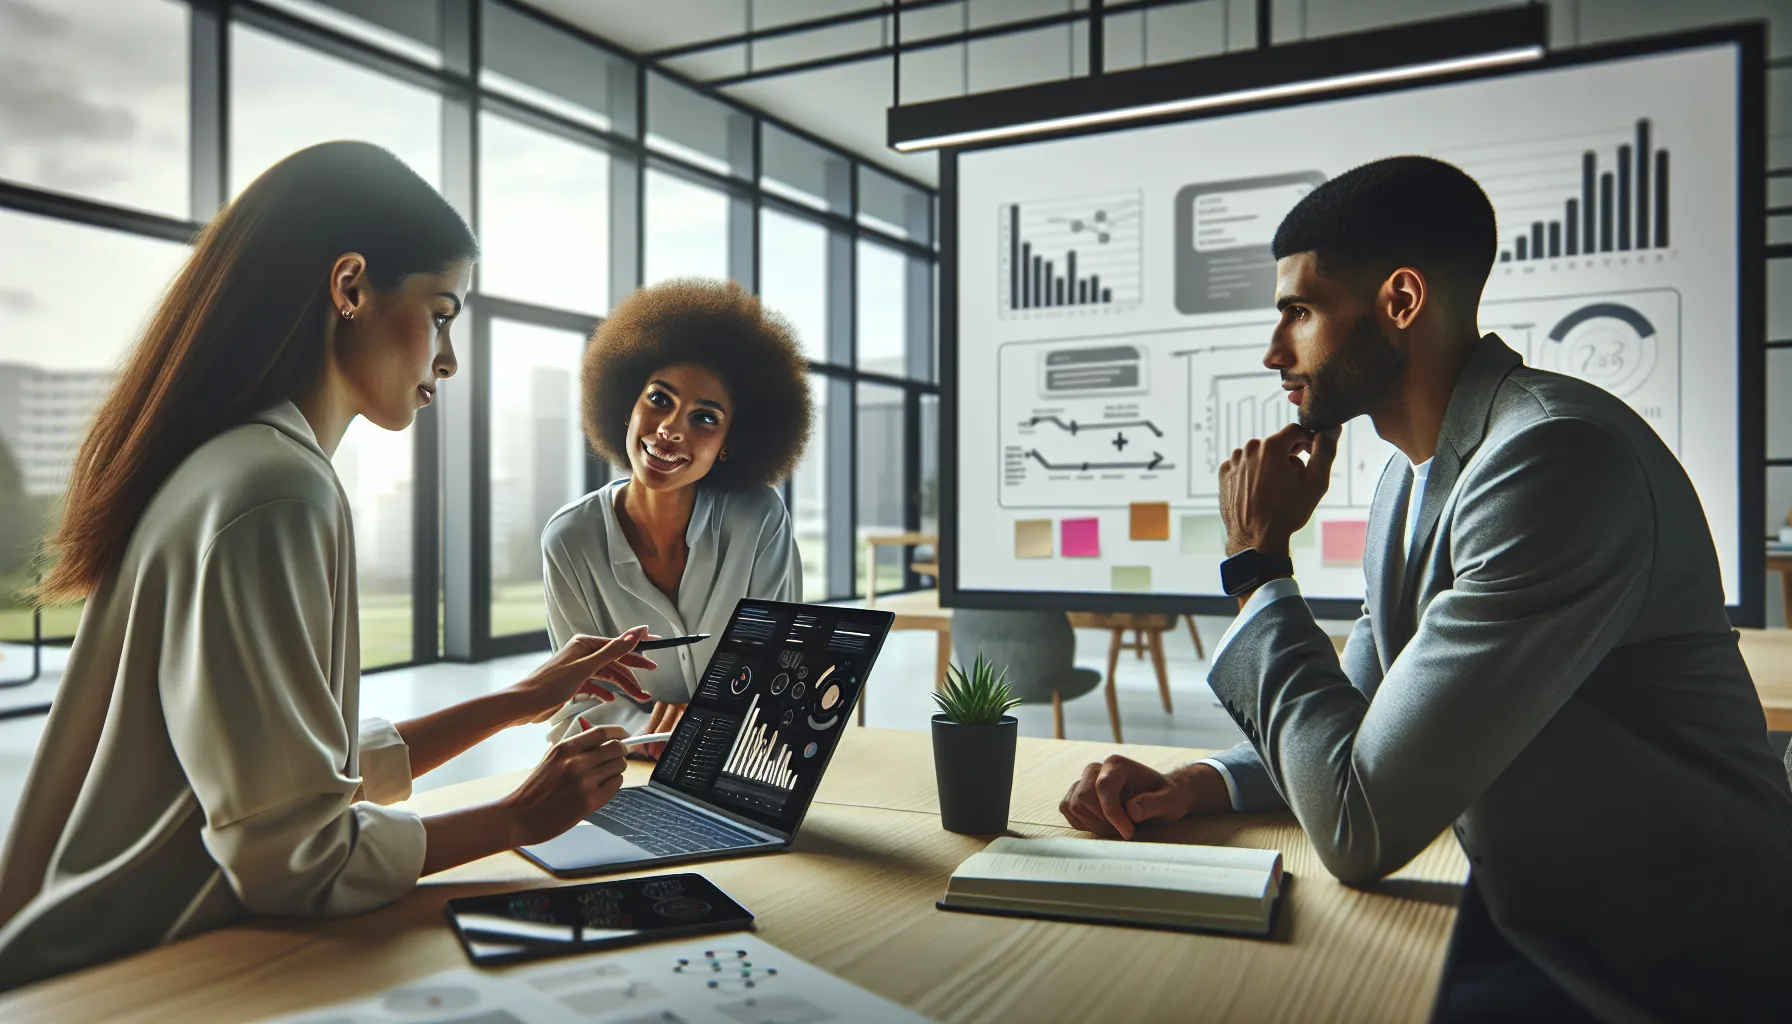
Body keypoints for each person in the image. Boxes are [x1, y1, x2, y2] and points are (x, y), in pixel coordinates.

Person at [1060, 156, 1792, 1020]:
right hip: (1538, 924)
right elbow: (1370, 726)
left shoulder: (1552, 462)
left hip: (1679, 971)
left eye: (1298, 311)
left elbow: (1356, 826)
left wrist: (1258, 565)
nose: (1272, 351)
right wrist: (1201, 783)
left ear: (1401, 302)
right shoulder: (1411, 481)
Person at [0, 142, 658, 990]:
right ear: (350, 287)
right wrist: (519, 818)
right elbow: (295, 857)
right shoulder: (276, 491)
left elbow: (293, 775)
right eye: (444, 311)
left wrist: (523, 699)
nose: (449, 359)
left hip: (97, 956)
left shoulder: (231, 465)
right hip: (139, 979)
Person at [541, 279, 810, 753]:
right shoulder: (570, 540)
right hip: (622, 774)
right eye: (659, 399)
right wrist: (648, 732)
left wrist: (706, 728)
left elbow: (780, 673)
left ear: (730, 443)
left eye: (703, 417)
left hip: (738, 762)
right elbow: (573, 704)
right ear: (627, 404)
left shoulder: (759, 520)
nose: (669, 430)